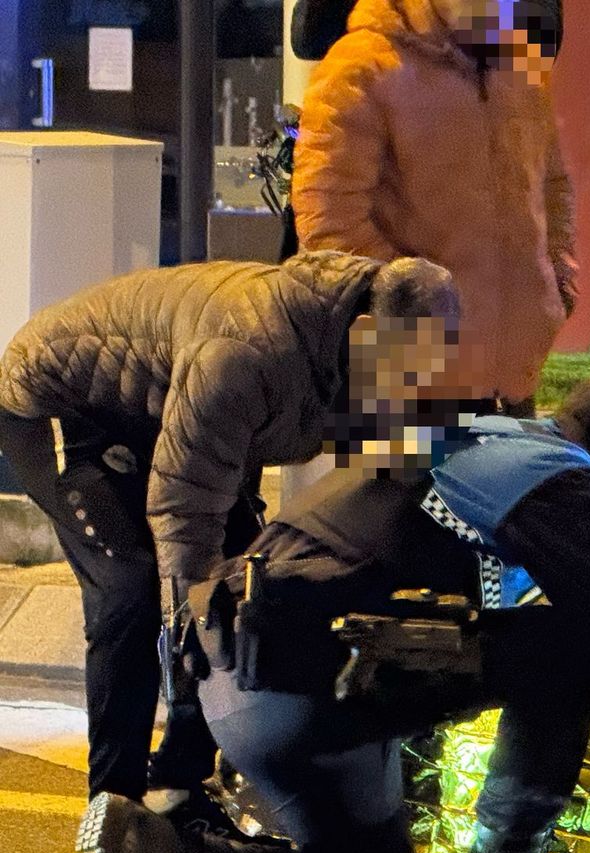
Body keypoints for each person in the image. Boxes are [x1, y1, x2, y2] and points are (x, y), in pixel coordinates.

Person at [63, 366, 590, 853]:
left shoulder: (475, 440)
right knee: (572, 642)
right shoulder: (553, 474)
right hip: (311, 681)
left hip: (244, 688)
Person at [0, 252, 460, 821]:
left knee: (253, 587)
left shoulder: (375, 347)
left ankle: (178, 787)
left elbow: (407, 478)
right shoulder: (248, 351)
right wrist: (191, 619)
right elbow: (183, 507)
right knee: (135, 587)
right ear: (368, 332)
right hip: (66, 402)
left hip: (178, 419)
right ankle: (114, 807)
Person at [294, 0, 574, 410]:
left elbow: (552, 186)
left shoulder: (519, 66)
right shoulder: (360, 67)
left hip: (514, 378)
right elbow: (329, 225)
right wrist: (413, 309)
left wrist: (557, 284)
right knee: (387, 477)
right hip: (404, 381)